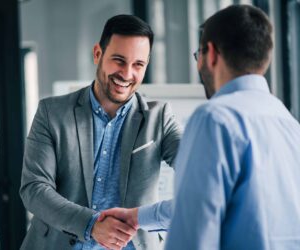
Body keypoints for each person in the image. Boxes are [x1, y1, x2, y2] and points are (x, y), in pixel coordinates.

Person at [99, 4, 300, 250]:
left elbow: (193, 230)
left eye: (198, 54)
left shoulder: (215, 118)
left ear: (211, 54)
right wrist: (138, 217)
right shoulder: (288, 123)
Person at [19, 14, 181, 250]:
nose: (126, 74)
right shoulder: (51, 113)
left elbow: (200, 172)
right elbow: (34, 189)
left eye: (138, 64)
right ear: (98, 54)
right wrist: (91, 224)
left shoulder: (160, 117)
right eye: (118, 60)